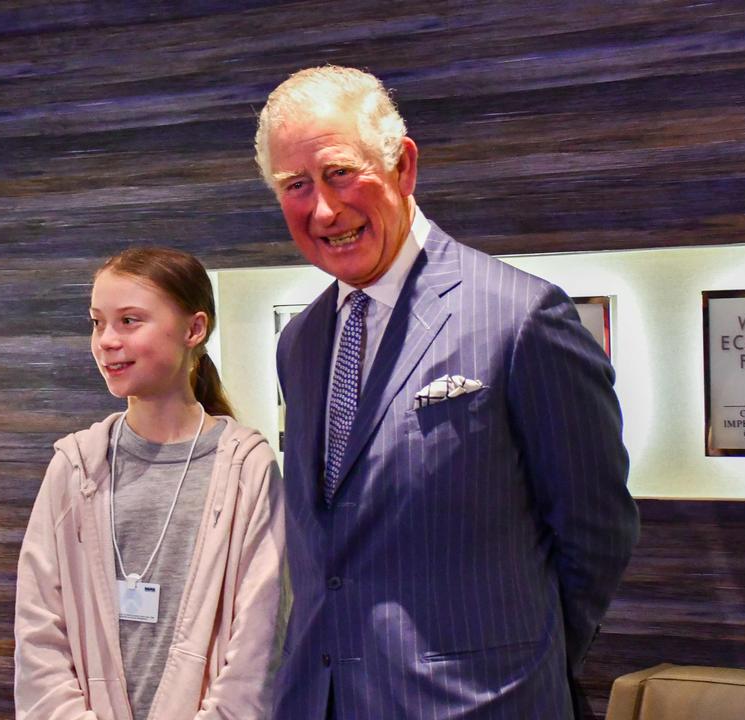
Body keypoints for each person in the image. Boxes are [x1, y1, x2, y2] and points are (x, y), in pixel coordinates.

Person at [255, 66, 639, 719]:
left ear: (402, 166)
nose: (323, 208)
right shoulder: (301, 341)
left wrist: (520, 666)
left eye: (340, 173)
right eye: (296, 186)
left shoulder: (521, 319)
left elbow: (596, 531)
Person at [14, 247, 285, 719]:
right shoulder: (75, 464)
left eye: (129, 320)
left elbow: (261, 642)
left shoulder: (247, 467)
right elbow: (39, 632)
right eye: (97, 322)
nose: (106, 341)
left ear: (194, 329)